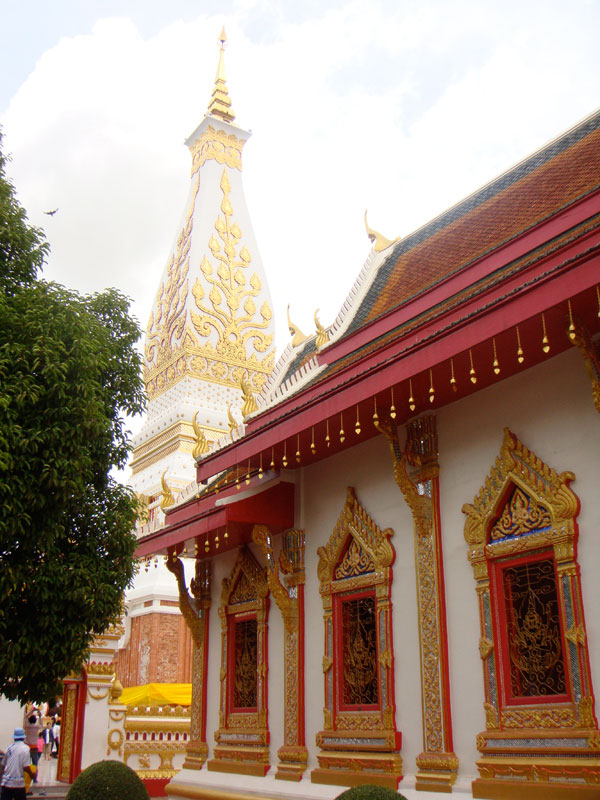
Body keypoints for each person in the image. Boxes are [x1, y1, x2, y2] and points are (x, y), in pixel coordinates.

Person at [0, 728, 34, 800]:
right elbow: (26, 767)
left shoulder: (9, 748)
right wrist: (31, 774)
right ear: (23, 738)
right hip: (18, 784)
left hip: (6, 783)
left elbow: (2, 765)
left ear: (14, 738)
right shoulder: (25, 748)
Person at [22, 718, 39, 784]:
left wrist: (30, 712)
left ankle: (25, 778)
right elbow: (41, 724)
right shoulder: (37, 727)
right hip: (34, 748)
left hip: (27, 748)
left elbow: (25, 717)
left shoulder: (27, 727)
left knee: (26, 764)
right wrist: (40, 716)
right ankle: (35, 779)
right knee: (35, 764)